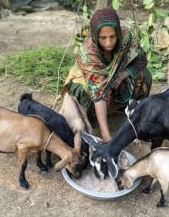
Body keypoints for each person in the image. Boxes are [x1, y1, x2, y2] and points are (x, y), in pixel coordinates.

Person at [64, 8, 152, 142]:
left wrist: (122, 75)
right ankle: (93, 118)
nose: (109, 43)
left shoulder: (126, 39)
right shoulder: (89, 52)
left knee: (145, 75)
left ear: (118, 33)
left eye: (112, 37)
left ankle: (130, 110)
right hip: (91, 82)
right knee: (81, 91)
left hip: (118, 74)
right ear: (95, 36)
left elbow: (141, 59)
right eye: (103, 38)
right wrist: (106, 136)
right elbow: (99, 94)